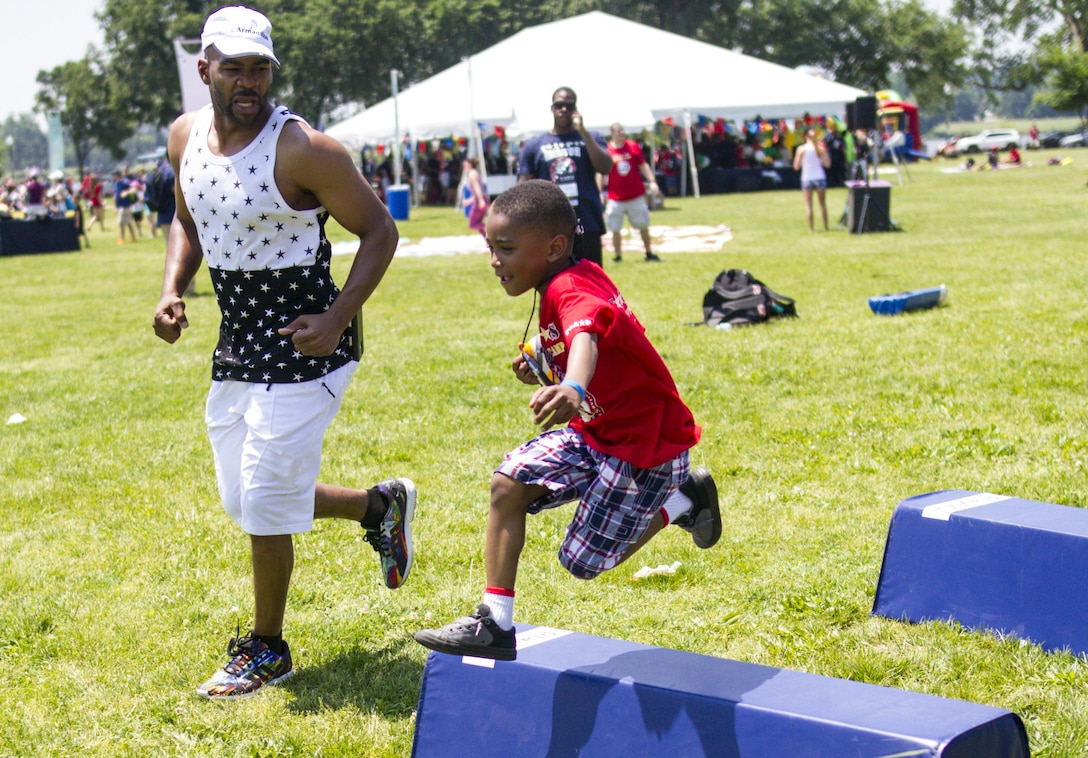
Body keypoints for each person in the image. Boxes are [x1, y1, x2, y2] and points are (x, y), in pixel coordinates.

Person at [152, 5, 414, 701]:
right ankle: (378, 508)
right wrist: (172, 289)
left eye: (259, 67)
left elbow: (380, 232)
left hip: (310, 345)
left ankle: (267, 648)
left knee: (266, 501)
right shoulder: (185, 137)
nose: (248, 80)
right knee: (249, 500)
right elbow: (188, 219)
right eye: (233, 67)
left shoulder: (304, 149)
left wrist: (335, 317)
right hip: (237, 345)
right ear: (204, 68)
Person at [413, 180, 721, 661]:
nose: (495, 260)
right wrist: (540, 360)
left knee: (581, 563)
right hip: (595, 435)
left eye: (507, 248)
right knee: (507, 484)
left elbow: (587, 336)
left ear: (554, 247)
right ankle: (494, 624)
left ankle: (684, 502)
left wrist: (573, 387)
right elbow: (587, 336)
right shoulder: (573, 274)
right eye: (490, 247)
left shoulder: (568, 287)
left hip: (647, 449)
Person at [517, 87, 612, 265]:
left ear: (576, 109)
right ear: (552, 108)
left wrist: (582, 131)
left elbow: (605, 167)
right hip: (550, 225)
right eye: (559, 105)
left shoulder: (592, 138)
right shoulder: (534, 145)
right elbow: (524, 187)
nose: (564, 110)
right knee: (555, 281)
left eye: (569, 106)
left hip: (587, 222)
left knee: (591, 281)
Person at [603, 123, 660, 263]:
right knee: (614, 228)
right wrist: (599, 190)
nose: (621, 133)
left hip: (635, 194)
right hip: (615, 196)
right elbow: (601, 172)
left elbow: (643, 165)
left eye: (622, 130)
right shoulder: (607, 150)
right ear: (612, 133)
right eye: (617, 131)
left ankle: (648, 252)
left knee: (643, 225)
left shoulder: (633, 146)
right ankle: (617, 256)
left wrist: (652, 181)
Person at [793, 128, 831, 232]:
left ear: (805, 137)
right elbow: (827, 164)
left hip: (807, 178)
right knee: (822, 204)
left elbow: (796, 166)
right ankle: (825, 226)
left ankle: (811, 228)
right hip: (819, 177)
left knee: (808, 205)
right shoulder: (820, 149)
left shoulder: (801, 149)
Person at [464, 156, 489, 236]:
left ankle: (491, 227)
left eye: (466, 163)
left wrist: (481, 200)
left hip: (480, 200)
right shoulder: (474, 172)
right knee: (478, 224)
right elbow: (476, 191)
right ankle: (488, 240)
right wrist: (469, 201)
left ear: (469, 164)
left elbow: (477, 187)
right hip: (481, 199)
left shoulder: (472, 173)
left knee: (472, 224)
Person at [112, 169, 137, 243]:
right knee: (128, 223)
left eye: (114, 175)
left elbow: (134, 189)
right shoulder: (116, 183)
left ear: (117, 175)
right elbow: (115, 195)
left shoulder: (124, 182)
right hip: (120, 206)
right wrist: (115, 206)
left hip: (125, 206)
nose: (113, 177)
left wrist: (126, 192)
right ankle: (133, 237)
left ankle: (122, 238)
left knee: (121, 223)